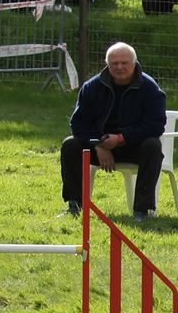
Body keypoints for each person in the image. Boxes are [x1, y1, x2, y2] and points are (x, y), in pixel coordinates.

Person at [60, 42, 166, 218]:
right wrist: (99, 145)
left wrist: (121, 138)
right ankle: (74, 205)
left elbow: (155, 125)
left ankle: (142, 210)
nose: (119, 67)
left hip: (133, 147)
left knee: (153, 146)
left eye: (124, 63)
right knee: (70, 145)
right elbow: (78, 124)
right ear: (107, 64)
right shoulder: (91, 87)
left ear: (134, 63)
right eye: (114, 63)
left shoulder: (149, 88)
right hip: (99, 145)